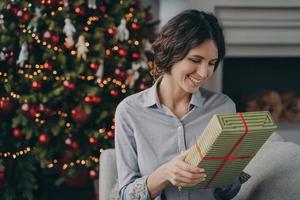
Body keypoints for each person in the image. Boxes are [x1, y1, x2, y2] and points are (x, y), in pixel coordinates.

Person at [115, 10, 243, 200]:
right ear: (172, 52)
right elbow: (126, 196)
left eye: (211, 63)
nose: (204, 73)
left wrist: (232, 170)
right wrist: (165, 174)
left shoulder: (223, 107)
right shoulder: (130, 111)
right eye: (195, 60)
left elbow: (225, 194)